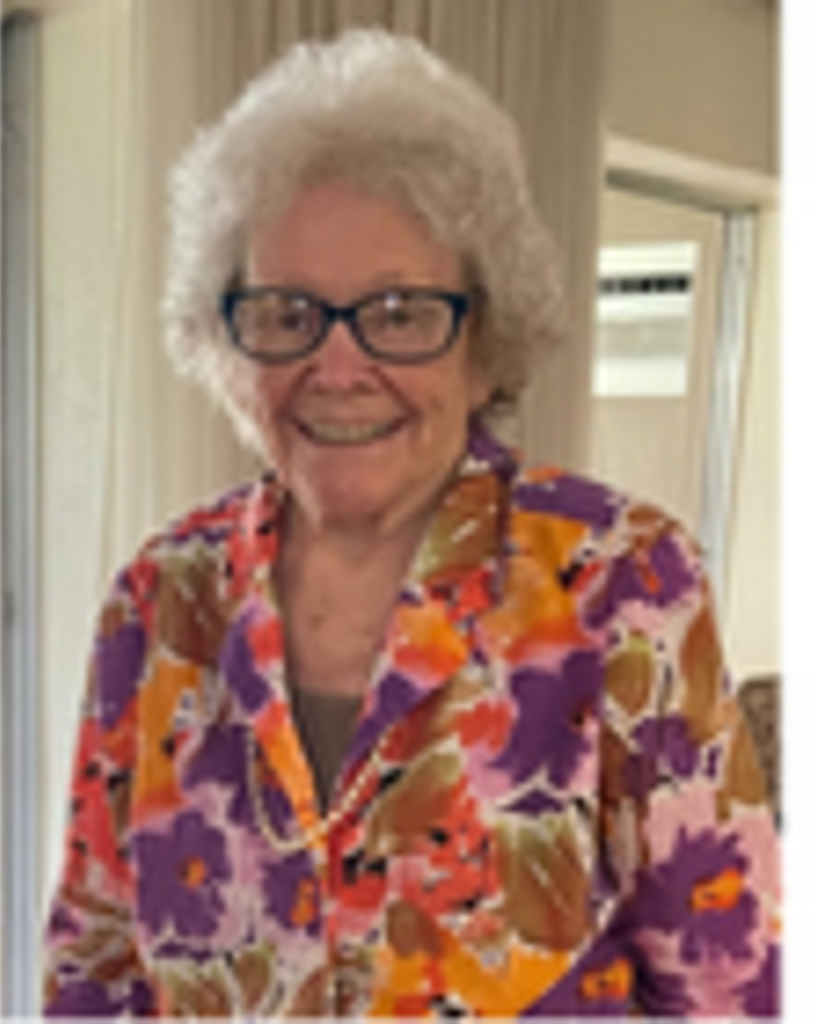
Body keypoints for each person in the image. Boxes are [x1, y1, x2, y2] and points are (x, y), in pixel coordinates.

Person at [43, 27, 780, 1018]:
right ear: (229, 340)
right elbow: (94, 966)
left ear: (485, 336)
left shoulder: (622, 583)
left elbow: (727, 983)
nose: (338, 368)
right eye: (286, 313)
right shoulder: (159, 598)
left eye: (397, 312)